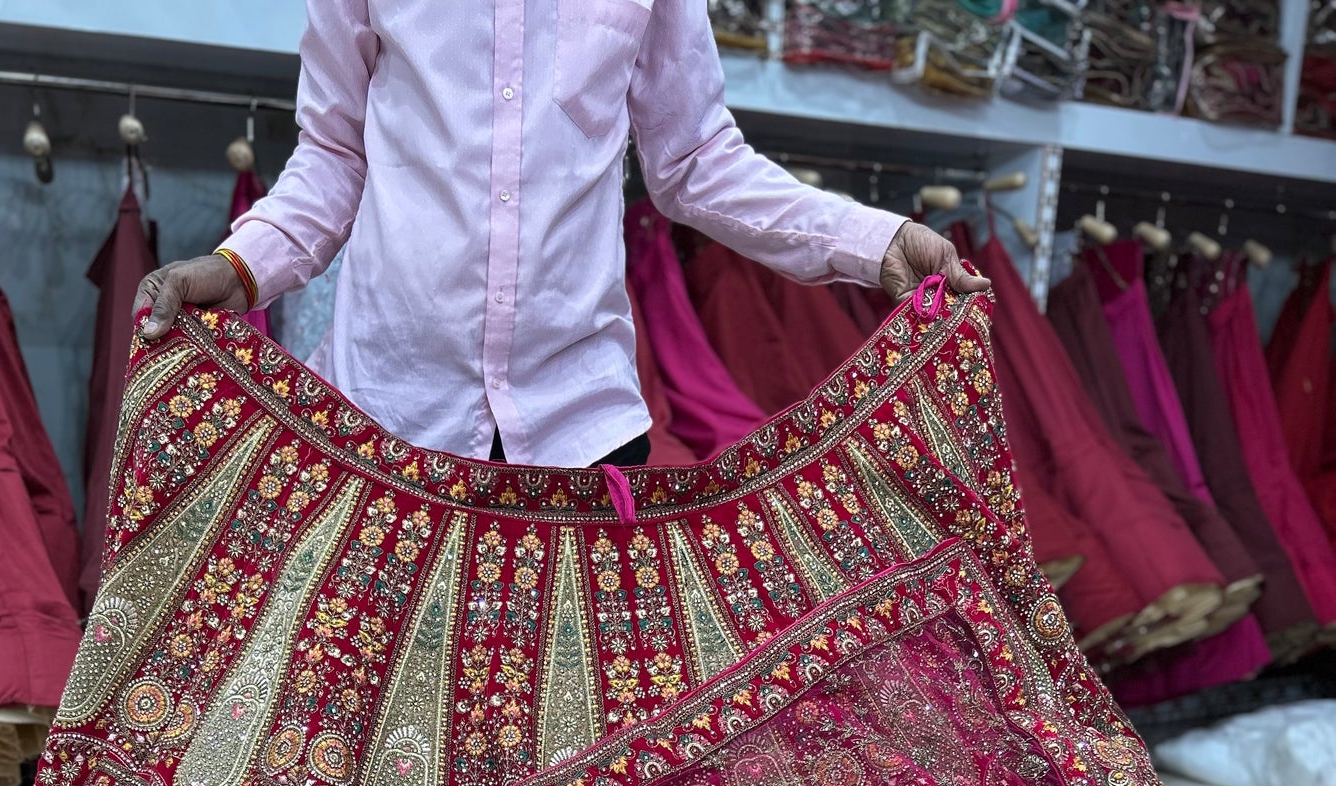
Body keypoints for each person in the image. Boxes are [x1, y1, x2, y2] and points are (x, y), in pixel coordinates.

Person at [136, 0, 986, 468]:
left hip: (582, 430)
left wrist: (876, 241)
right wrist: (237, 264)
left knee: (575, 772)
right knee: (382, 755)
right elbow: (332, 156)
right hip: (385, 425)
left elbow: (693, 159)